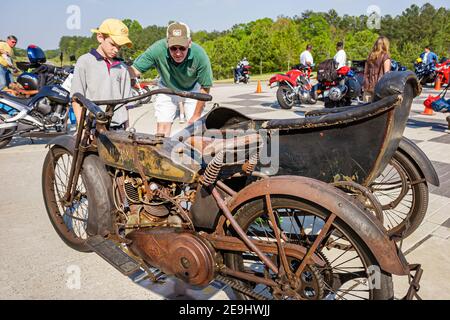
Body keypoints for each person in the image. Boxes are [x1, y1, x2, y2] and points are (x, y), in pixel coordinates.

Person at [131, 22, 213, 137]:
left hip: (192, 89)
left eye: (182, 48)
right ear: (167, 43)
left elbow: (205, 86)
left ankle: (195, 152)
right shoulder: (157, 49)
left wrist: (196, 116)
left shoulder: (199, 54)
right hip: (167, 88)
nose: (178, 53)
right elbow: (134, 70)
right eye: (173, 48)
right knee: (162, 129)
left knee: (196, 128)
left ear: (189, 43)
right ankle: (161, 152)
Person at [70, 19, 133, 128]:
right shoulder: (85, 62)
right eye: (113, 44)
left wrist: (128, 128)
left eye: (119, 47)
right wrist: (83, 128)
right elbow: (76, 99)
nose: (116, 50)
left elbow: (126, 104)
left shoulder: (122, 68)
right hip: (93, 127)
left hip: (119, 127)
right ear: (100, 37)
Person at [363, 36, 391, 103]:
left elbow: (365, 72)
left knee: (366, 110)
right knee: (377, 111)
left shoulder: (370, 56)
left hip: (367, 87)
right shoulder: (385, 56)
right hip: (379, 89)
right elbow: (386, 75)